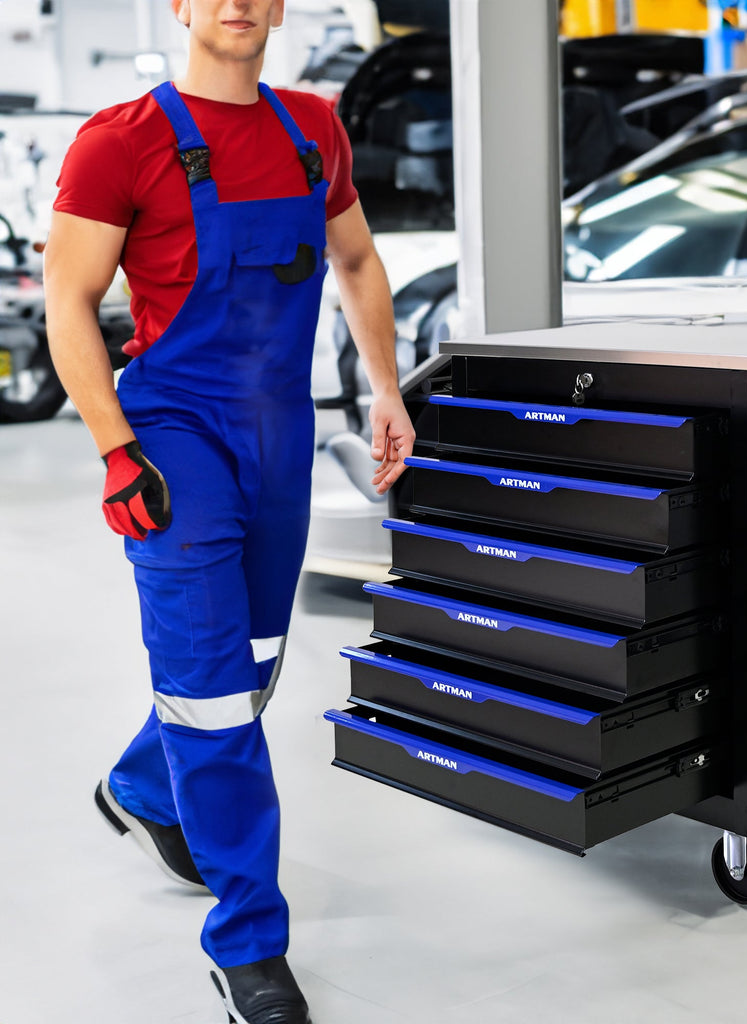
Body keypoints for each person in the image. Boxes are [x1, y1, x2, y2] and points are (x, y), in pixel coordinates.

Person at [43, 1, 414, 1021]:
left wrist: (386, 390)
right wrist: (117, 449)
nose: (237, 3)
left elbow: (356, 259)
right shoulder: (121, 141)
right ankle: (248, 936)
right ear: (182, 5)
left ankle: (144, 787)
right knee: (209, 691)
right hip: (174, 438)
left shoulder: (311, 129)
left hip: (278, 435)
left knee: (246, 668)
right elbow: (65, 301)